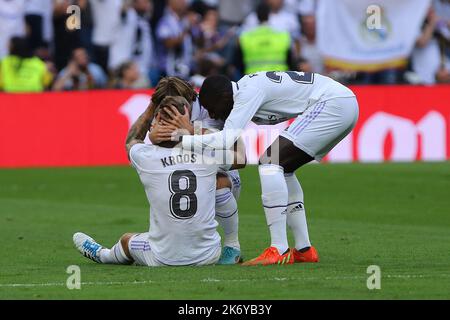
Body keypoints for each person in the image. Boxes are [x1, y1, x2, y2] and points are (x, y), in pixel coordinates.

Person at [173, 71, 359, 266]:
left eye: (212, 109)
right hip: (341, 102)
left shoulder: (246, 93)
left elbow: (226, 139)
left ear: (224, 97)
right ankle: (304, 249)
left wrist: (181, 140)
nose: (212, 115)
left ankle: (278, 248)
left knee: (271, 161)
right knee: (283, 168)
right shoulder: (243, 90)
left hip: (333, 103)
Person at [73, 96, 246, 267]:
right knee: (222, 180)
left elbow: (131, 142)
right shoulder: (208, 154)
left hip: (163, 257)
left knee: (127, 240)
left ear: (156, 123)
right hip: (209, 254)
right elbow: (241, 157)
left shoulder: (145, 156)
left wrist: (151, 116)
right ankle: (232, 245)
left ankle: (103, 255)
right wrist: (194, 130)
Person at [148, 76, 243, 264]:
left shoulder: (212, 110)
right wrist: (152, 138)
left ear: (191, 100)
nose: (171, 112)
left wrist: (192, 131)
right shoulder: (164, 110)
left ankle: (232, 245)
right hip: (181, 177)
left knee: (218, 181)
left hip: (219, 172)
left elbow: (239, 158)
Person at [235, 2, 293, 75]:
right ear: (269, 15)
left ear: (256, 16)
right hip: (278, 80)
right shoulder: (283, 36)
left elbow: (238, 63)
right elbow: (291, 62)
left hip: (253, 80)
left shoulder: (245, 38)